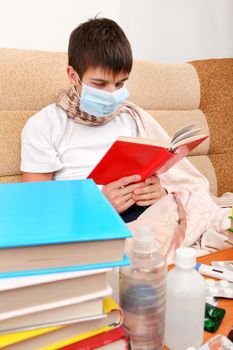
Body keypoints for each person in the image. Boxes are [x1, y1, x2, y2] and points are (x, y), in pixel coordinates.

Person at [20, 18, 231, 259]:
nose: (111, 94)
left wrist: (159, 190)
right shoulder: (45, 125)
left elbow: (169, 176)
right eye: (99, 83)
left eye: (120, 84)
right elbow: (35, 206)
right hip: (90, 218)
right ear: (73, 76)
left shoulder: (131, 117)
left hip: (148, 211)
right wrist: (98, 203)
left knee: (216, 219)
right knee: (137, 244)